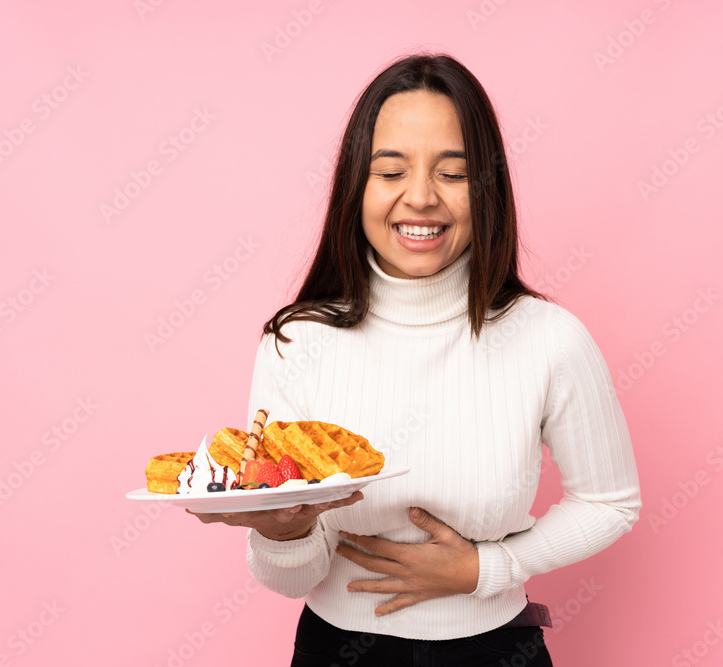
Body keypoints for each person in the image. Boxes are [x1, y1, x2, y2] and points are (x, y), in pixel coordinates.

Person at [190, 52, 641, 666]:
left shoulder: (548, 338)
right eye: (391, 171)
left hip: (497, 650)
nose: (421, 198)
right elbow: (292, 579)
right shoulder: (298, 342)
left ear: (487, 190)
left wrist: (490, 567)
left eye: (453, 174)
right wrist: (283, 531)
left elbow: (610, 502)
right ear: (357, 186)